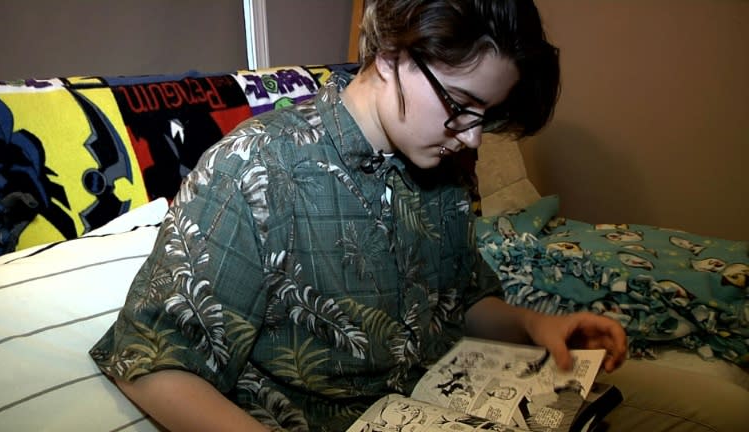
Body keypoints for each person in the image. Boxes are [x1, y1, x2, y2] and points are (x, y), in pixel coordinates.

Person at [89, 1, 627, 431]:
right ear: (392, 55)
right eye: (460, 104)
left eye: (486, 114)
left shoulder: (448, 164)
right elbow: (151, 361)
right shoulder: (257, 169)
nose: (472, 135)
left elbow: (460, 301)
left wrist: (538, 325)